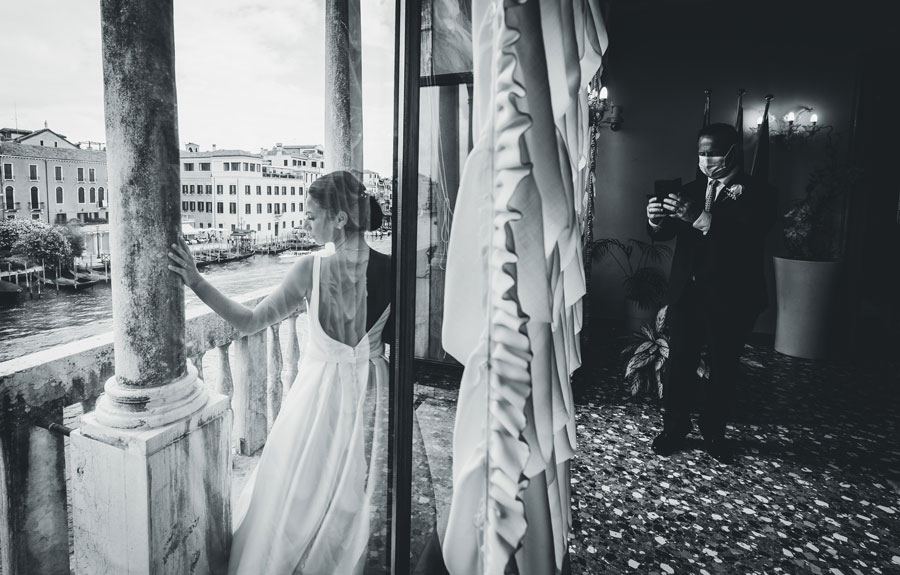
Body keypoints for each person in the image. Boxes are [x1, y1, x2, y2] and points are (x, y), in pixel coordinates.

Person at [168, 171, 395, 574]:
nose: (304, 223)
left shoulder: (310, 268)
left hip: (320, 395)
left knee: (300, 487)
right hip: (375, 391)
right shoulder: (393, 269)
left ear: (339, 219)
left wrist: (196, 281)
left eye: (311, 216)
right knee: (359, 485)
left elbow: (250, 322)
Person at [645, 123, 776, 463]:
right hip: (688, 295)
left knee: (724, 367)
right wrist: (656, 221)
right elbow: (665, 233)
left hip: (733, 296)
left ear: (732, 152)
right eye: (701, 152)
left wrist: (703, 218)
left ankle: (714, 432)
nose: (706, 158)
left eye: (713, 152)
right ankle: (674, 428)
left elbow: (749, 238)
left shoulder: (761, 192)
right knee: (679, 365)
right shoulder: (688, 189)